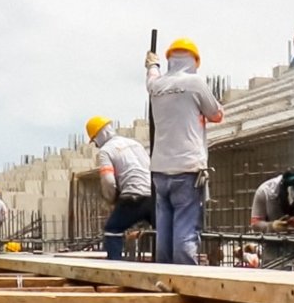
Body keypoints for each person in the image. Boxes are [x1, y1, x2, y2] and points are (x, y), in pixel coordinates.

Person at [145, 38, 224, 265]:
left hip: (159, 170)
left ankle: (164, 277)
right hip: (187, 169)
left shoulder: (156, 86)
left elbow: (150, 78)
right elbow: (216, 114)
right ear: (193, 61)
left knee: (164, 230)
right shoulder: (195, 82)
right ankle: (184, 279)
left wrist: (152, 65)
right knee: (185, 230)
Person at [86, 115, 154, 261]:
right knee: (161, 231)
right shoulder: (136, 144)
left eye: (94, 141)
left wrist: (112, 199)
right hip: (153, 196)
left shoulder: (106, 151)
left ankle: (114, 268)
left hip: (132, 197)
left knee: (113, 230)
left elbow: (108, 181)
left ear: (98, 136)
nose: (96, 145)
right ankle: (166, 265)